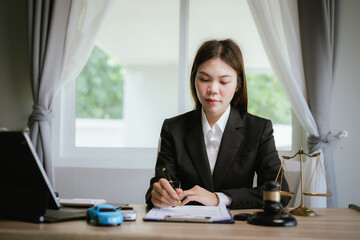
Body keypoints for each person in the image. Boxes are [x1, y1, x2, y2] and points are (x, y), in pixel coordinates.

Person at [145, 39, 290, 209]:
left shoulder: (258, 129)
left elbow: (281, 192)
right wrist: (158, 195)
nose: (213, 89)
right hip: (187, 228)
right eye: (204, 79)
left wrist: (218, 198)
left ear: (238, 84)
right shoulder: (173, 129)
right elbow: (158, 185)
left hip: (238, 230)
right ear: (194, 80)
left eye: (223, 82)